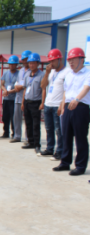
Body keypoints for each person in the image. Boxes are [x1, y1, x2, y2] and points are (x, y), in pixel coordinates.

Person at [53, 47, 90, 176]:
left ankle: (80, 166)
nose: (71, 62)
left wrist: (77, 99)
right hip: (68, 107)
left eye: (73, 59)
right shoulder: (69, 75)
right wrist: (63, 107)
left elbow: (86, 88)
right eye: (69, 60)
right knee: (66, 136)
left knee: (80, 137)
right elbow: (65, 92)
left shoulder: (87, 73)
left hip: (81, 107)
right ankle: (65, 162)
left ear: (81, 59)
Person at [39, 49, 71, 160]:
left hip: (58, 105)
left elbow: (68, 90)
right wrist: (47, 73)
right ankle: (49, 148)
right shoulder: (51, 72)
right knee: (49, 128)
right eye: (50, 61)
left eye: (53, 61)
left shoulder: (67, 72)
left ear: (59, 59)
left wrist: (62, 105)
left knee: (59, 130)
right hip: (48, 103)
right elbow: (43, 86)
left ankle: (59, 151)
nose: (50, 63)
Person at [21, 53, 46, 154]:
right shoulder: (27, 75)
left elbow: (44, 90)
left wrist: (42, 103)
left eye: (33, 63)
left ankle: (37, 144)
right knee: (28, 123)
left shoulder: (42, 75)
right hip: (27, 102)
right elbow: (25, 89)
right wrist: (23, 102)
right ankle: (30, 142)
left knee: (36, 125)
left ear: (38, 64)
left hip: (36, 103)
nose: (31, 65)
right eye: (30, 63)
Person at [10, 50, 32, 143]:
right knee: (17, 118)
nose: (25, 61)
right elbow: (17, 83)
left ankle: (28, 138)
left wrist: (22, 86)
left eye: (26, 59)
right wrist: (18, 86)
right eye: (23, 59)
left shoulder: (32, 71)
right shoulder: (21, 71)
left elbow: (29, 85)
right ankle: (17, 136)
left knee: (27, 119)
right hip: (18, 97)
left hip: (27, 97)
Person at [0, 55, 19, 138]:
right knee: (5, 117)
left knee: (13, 117)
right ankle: (5, 133)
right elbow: (1, 84)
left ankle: (14, 133)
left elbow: (18, 88)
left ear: (16, 65)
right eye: (10, 64)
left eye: (13, 64)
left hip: (14, 99)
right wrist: (4, 90)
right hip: (6, 99)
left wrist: (9, 91)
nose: (11, 66)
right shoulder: (5, 73)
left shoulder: (19, 74)